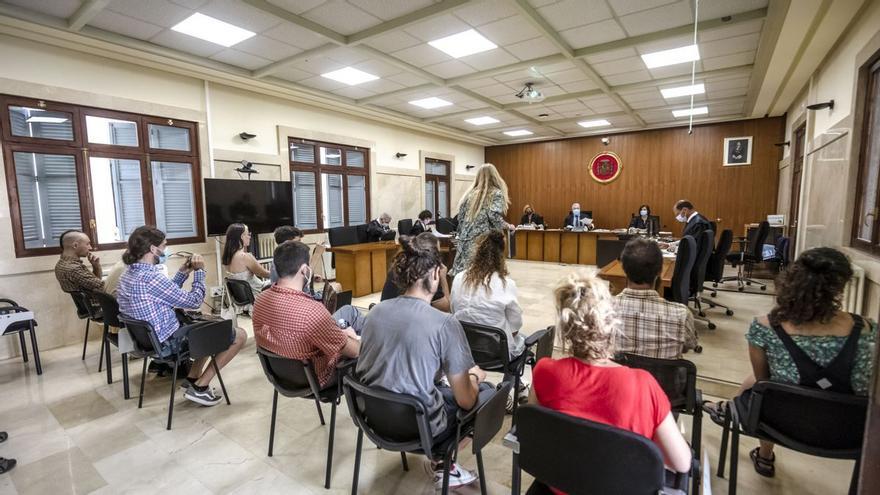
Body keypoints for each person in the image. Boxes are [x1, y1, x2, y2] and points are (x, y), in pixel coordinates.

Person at [704, 247, 877, 478]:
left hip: (778, 422)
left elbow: (762, 379)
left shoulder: (765, 327)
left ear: (792, 279)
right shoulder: (867, 330)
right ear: (841, 286)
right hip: (849, 432)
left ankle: (763, 454)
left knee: (762, 386)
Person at [530, 268, 693, 493]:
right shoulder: (643, 384)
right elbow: (681, 463)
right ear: (611, 323)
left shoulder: (544, 371)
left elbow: (537, 431)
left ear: (564, 328)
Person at [357, 233, 494, 488]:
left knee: (443, 390)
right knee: (486, 393)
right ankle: (444, 461)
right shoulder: (445, 324)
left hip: (372, 420)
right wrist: (474, 376)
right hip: (419, 428)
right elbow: (466, 399)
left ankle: (443, 462)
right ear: (434, 275)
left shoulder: (375, 313)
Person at [117, 226, 247, 406]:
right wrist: (200, 272)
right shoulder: (151, 278)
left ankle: (192, 380)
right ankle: (201, 387)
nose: (165, 250)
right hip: (168, 343)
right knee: (238, 335)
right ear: (153, 249)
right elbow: (194, 301)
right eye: (164, 246)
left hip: (146, 341)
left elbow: (164, 295)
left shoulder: (128, 274)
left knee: (208, 325)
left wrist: (182, 273)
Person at [252, 241, 360, 387]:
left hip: (280, 378)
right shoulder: (312, 312)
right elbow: (354, 352)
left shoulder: (260, 300)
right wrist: (349, 336)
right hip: (317, 380)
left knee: (348, 311)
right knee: (370, 346)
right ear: (304, 270)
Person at [451, 230, 528, 410]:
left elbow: (454, 311)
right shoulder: (505, 284)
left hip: (464, 349)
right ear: (501, 255)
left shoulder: (459, 278)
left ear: (477, 252)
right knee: (522, 340)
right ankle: (506, 390)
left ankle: (517, 386)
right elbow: (515, 326)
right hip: (497, 354)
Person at [615, 239, 697, 359]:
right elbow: (690, 345)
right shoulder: (681, 315)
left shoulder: (602, 310)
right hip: (662, 377)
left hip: (618, 376)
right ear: (660, 271)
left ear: (623, 269)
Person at [451, 163, 514, 276]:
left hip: (465, 242)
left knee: (464, 275)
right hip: (483, 243)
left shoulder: (469, 194)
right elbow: (493, 216)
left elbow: (460, 218)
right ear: (495, 176)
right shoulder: (496, 193)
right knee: (481, 275)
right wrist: (507, 226)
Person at [223, 223, 269, 298]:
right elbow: (265, 274)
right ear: (241, 236)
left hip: (244, 299)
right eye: (248, 234)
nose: (249, 237)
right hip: (258, 294)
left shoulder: (227, 258)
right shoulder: (245, 257)